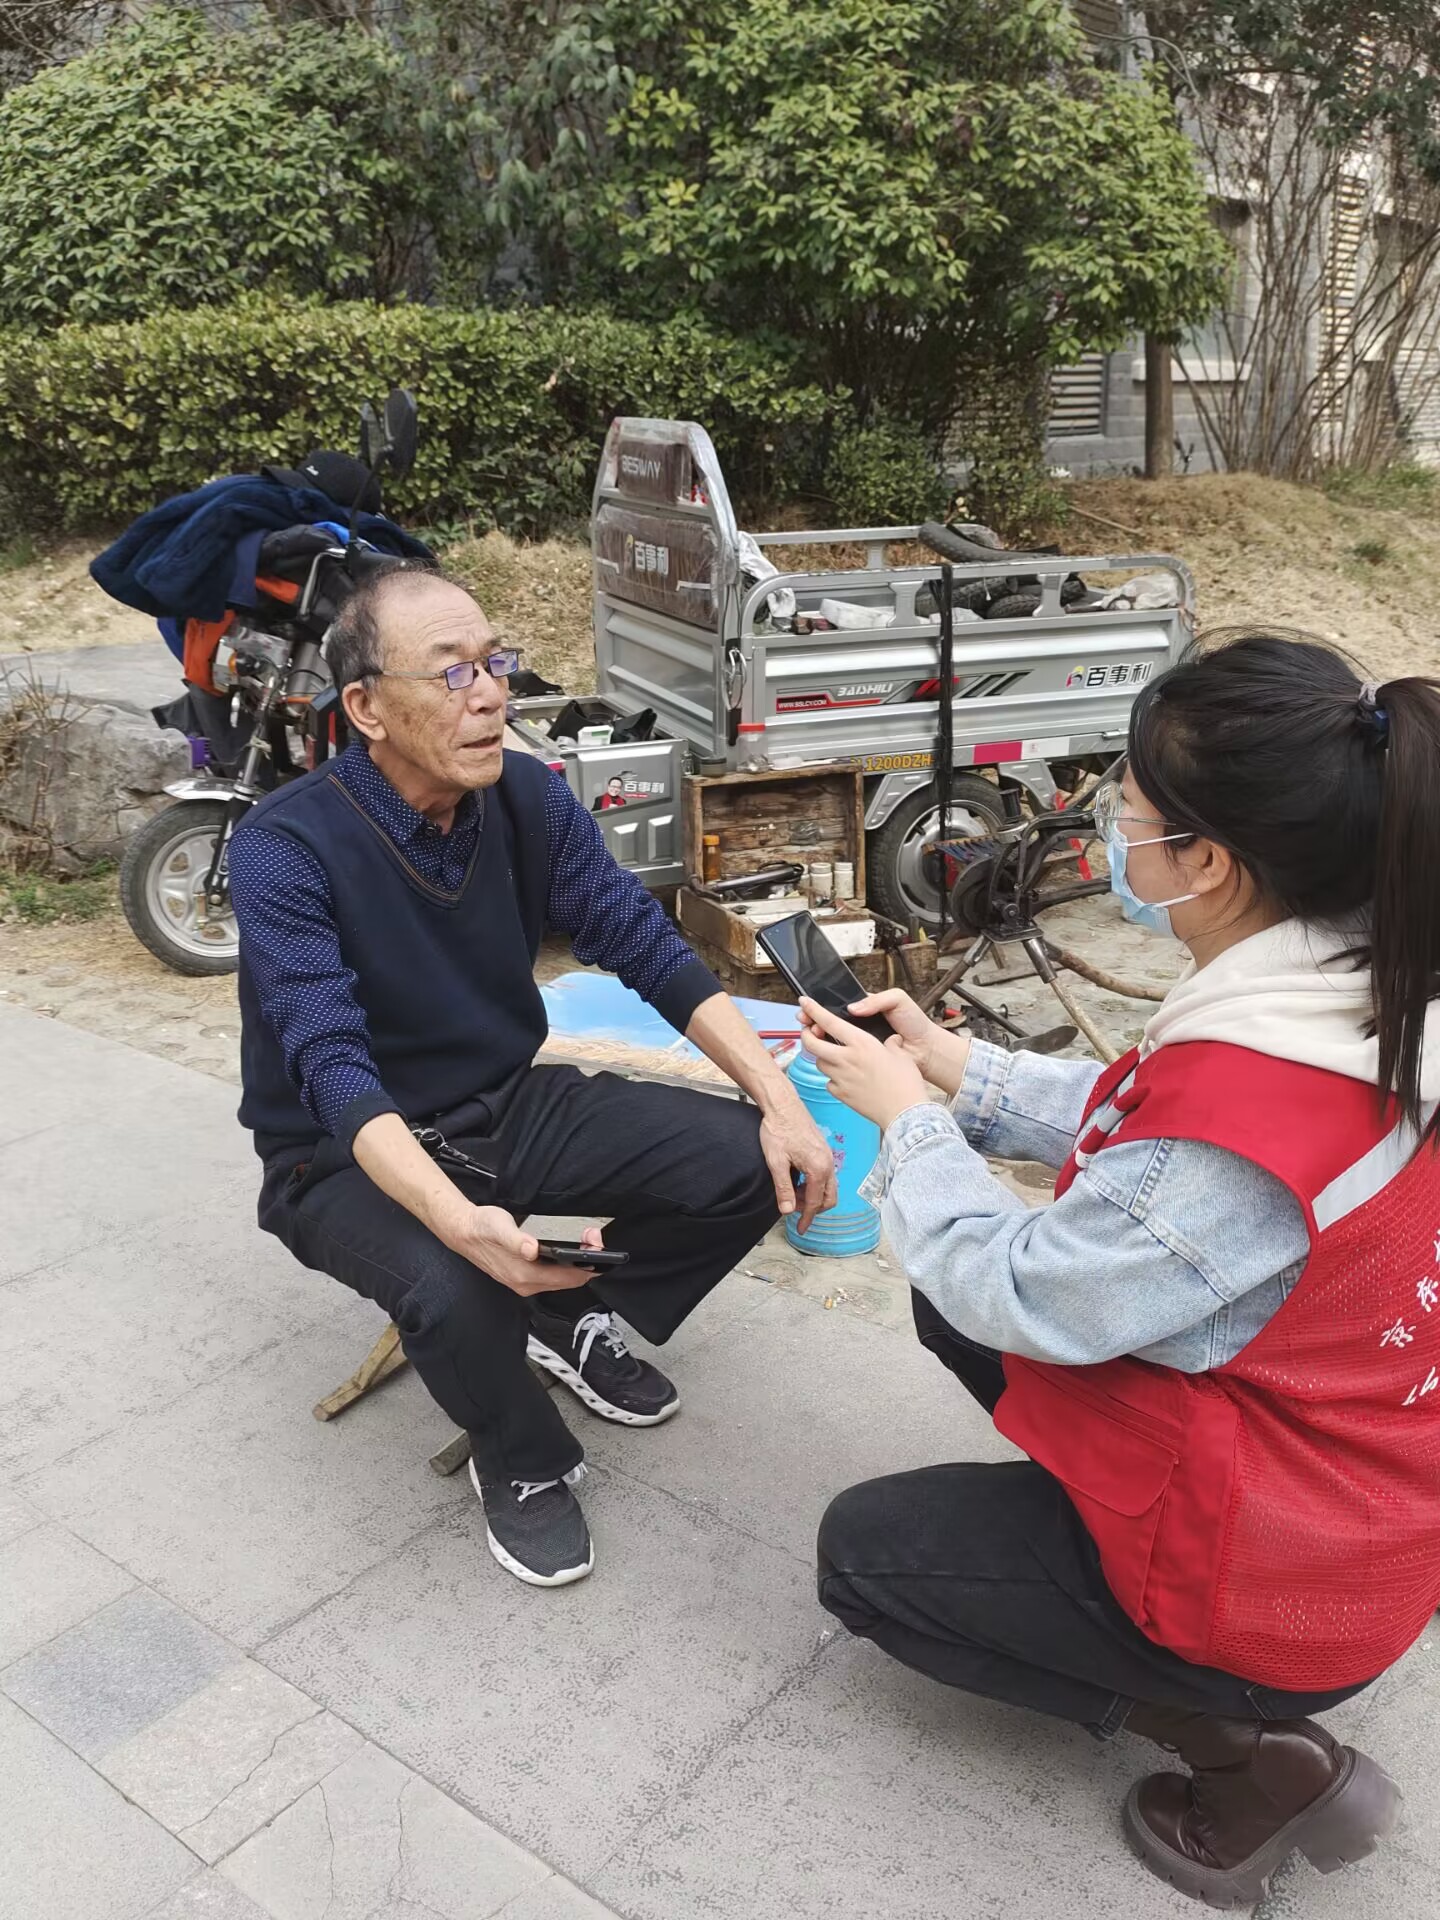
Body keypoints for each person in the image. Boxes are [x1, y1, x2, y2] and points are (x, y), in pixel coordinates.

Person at [796, 633, 1440, 1906]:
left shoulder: (1251, 1115)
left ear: (1207, 862)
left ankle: (1249, 1757)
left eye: (1126, 811)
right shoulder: (1358, 985)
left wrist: (906, 1123)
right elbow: (1144, 1124)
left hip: (1284, 1583)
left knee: (862, 1556)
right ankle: (1090, 1552)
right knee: (950, 1296)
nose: (1109, 834)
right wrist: (952, 1068)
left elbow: (1024, 1285)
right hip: (1363, 1485)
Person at [229, 563, 835, 1589]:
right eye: (451, 673)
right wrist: (459, 1224)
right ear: (367, 708)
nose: (490, 695)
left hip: (506, 1103)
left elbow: (641, 939)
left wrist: (779, 1101)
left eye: (493, 663)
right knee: (456, 1287)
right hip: (338, 1151)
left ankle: (560, 1311)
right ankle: (519, 1456)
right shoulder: (283, 847)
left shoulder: (525, 795)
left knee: (750, 1162)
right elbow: (329, 1061)